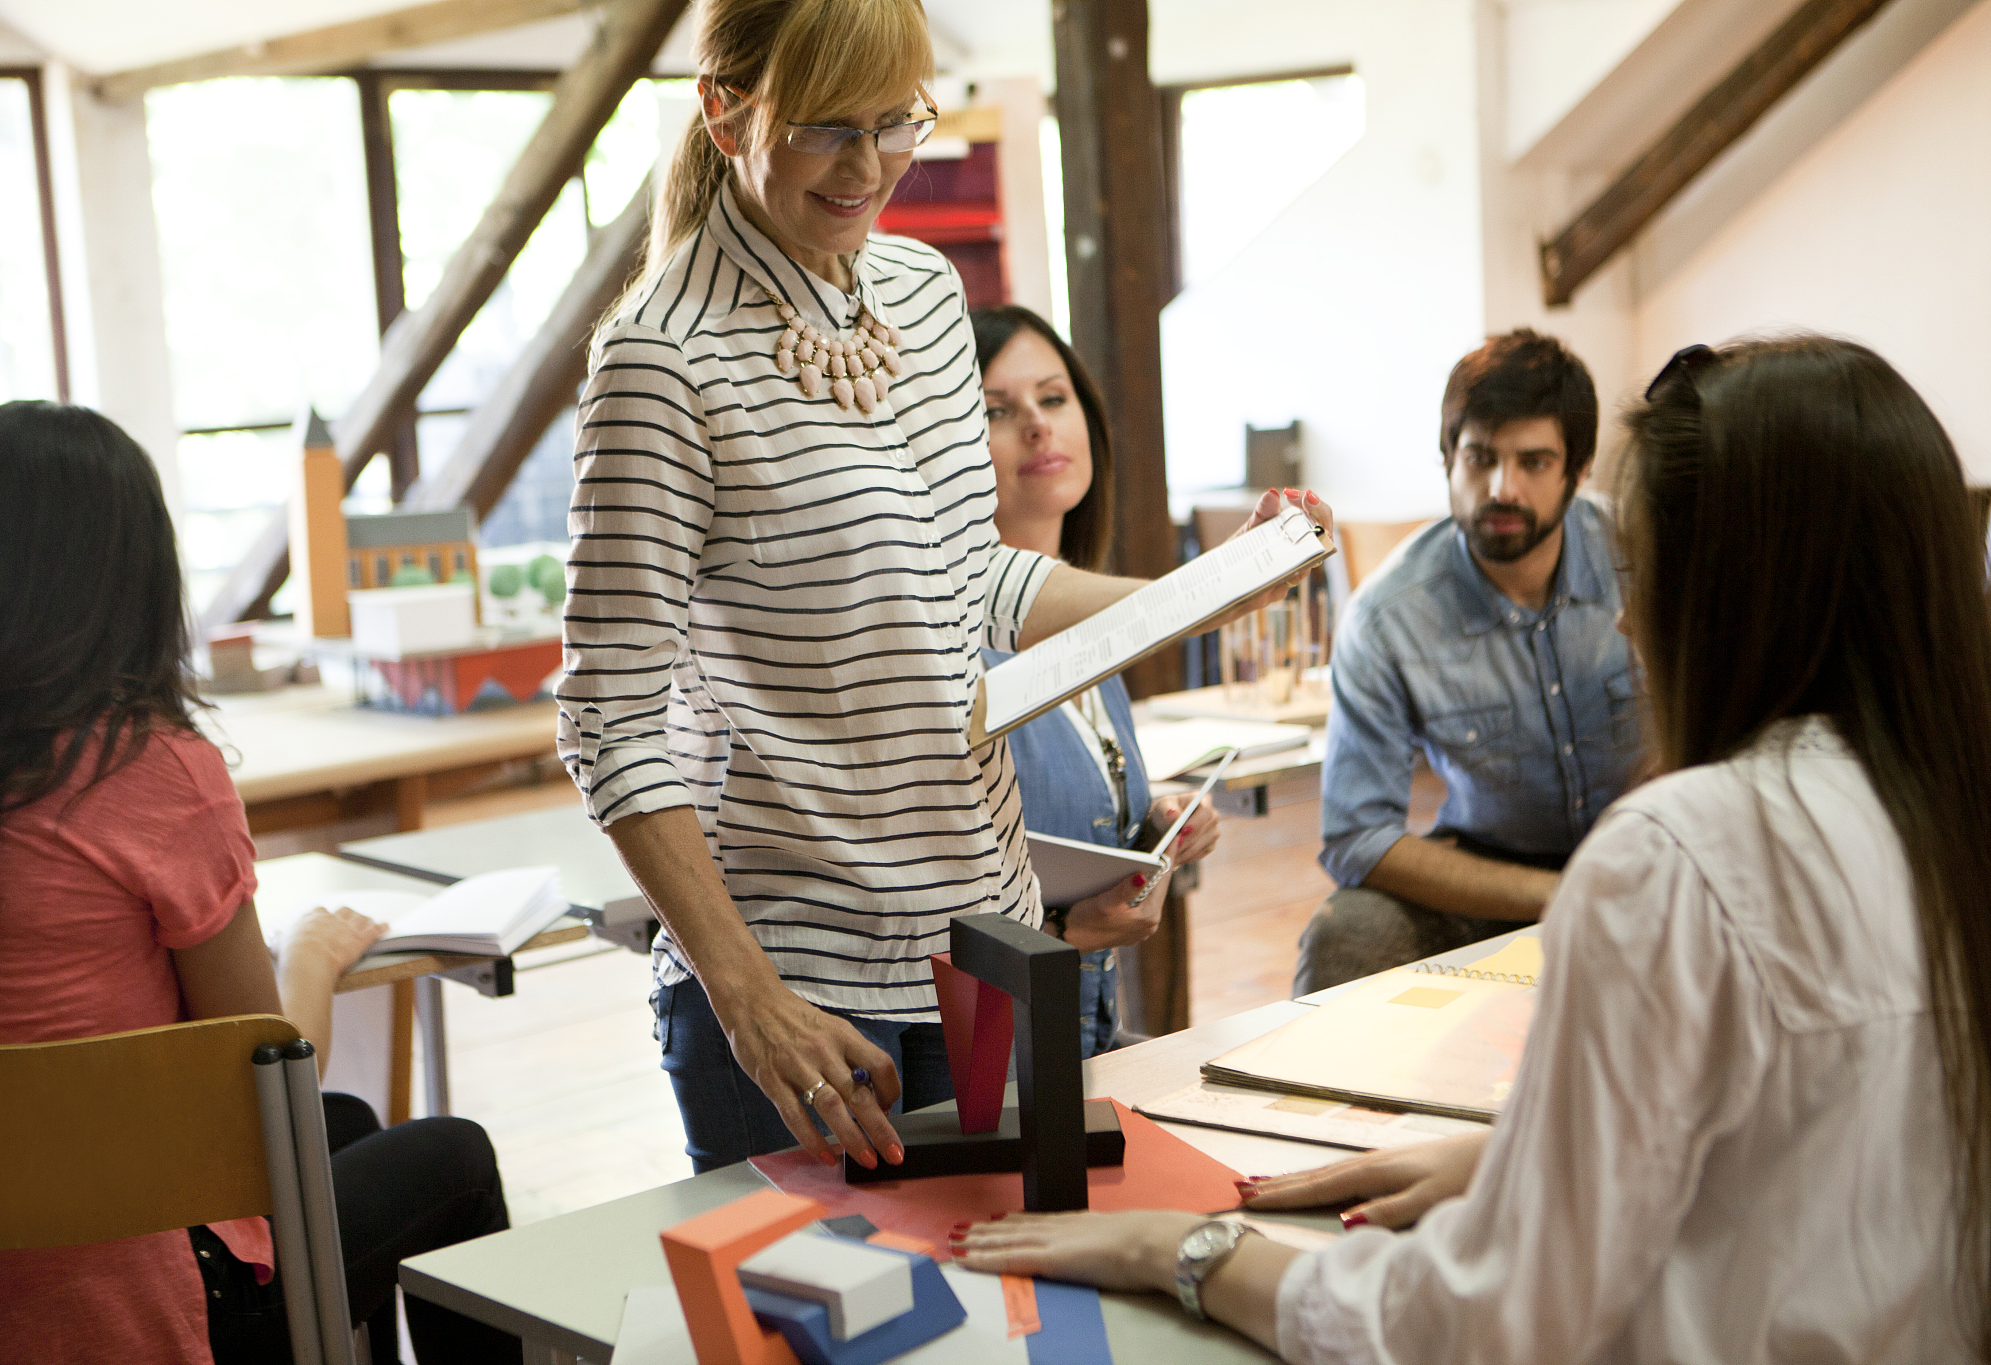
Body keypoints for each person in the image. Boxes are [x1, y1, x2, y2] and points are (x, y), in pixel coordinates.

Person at [954, 335, 1991, 1361]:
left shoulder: (1679, 862)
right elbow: (1813, 1127)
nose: (1628, 620)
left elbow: (1482, 1319)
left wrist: (1184, 1250)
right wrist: (1532, 1159)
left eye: (1647, 569)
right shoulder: (1935, 811)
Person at [557, 0, 1327, 1175]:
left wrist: (1209, 591)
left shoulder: (917, 294)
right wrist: (747, 998)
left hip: (984, 940)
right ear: (722, 113)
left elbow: (968, 576)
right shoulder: (662, 358)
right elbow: (605, 718)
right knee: (841, 1336)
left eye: (895, 124)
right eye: (825, 130)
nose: (867, 170)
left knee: (1011, 1315)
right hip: (800, 982)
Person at [0, 401, 518, 1365]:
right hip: (134, 1305)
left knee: (353, 1127)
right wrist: (310, 953)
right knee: (451, 1155)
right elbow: (267, 1097)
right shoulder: (149, 772)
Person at [1299, 328, 1640, 994]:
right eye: (1480, 457)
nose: (1502, 487)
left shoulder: (1645, 552)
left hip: (1650, 858)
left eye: (1534, 462)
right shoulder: (1387, 614)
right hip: (1493, 880)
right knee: (1348, 931)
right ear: (1447, 457)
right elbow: (1356, 838)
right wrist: (1560, 892)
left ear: (1579, 466)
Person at [973, 303, 1221, 1056]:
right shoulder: (951, 636)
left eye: (1053, 398)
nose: (1038, 426)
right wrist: (1062, 931)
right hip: (991, 1067)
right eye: (997, 410)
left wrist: (1152, 829)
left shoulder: (1096, 624)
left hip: (1086, 1038)